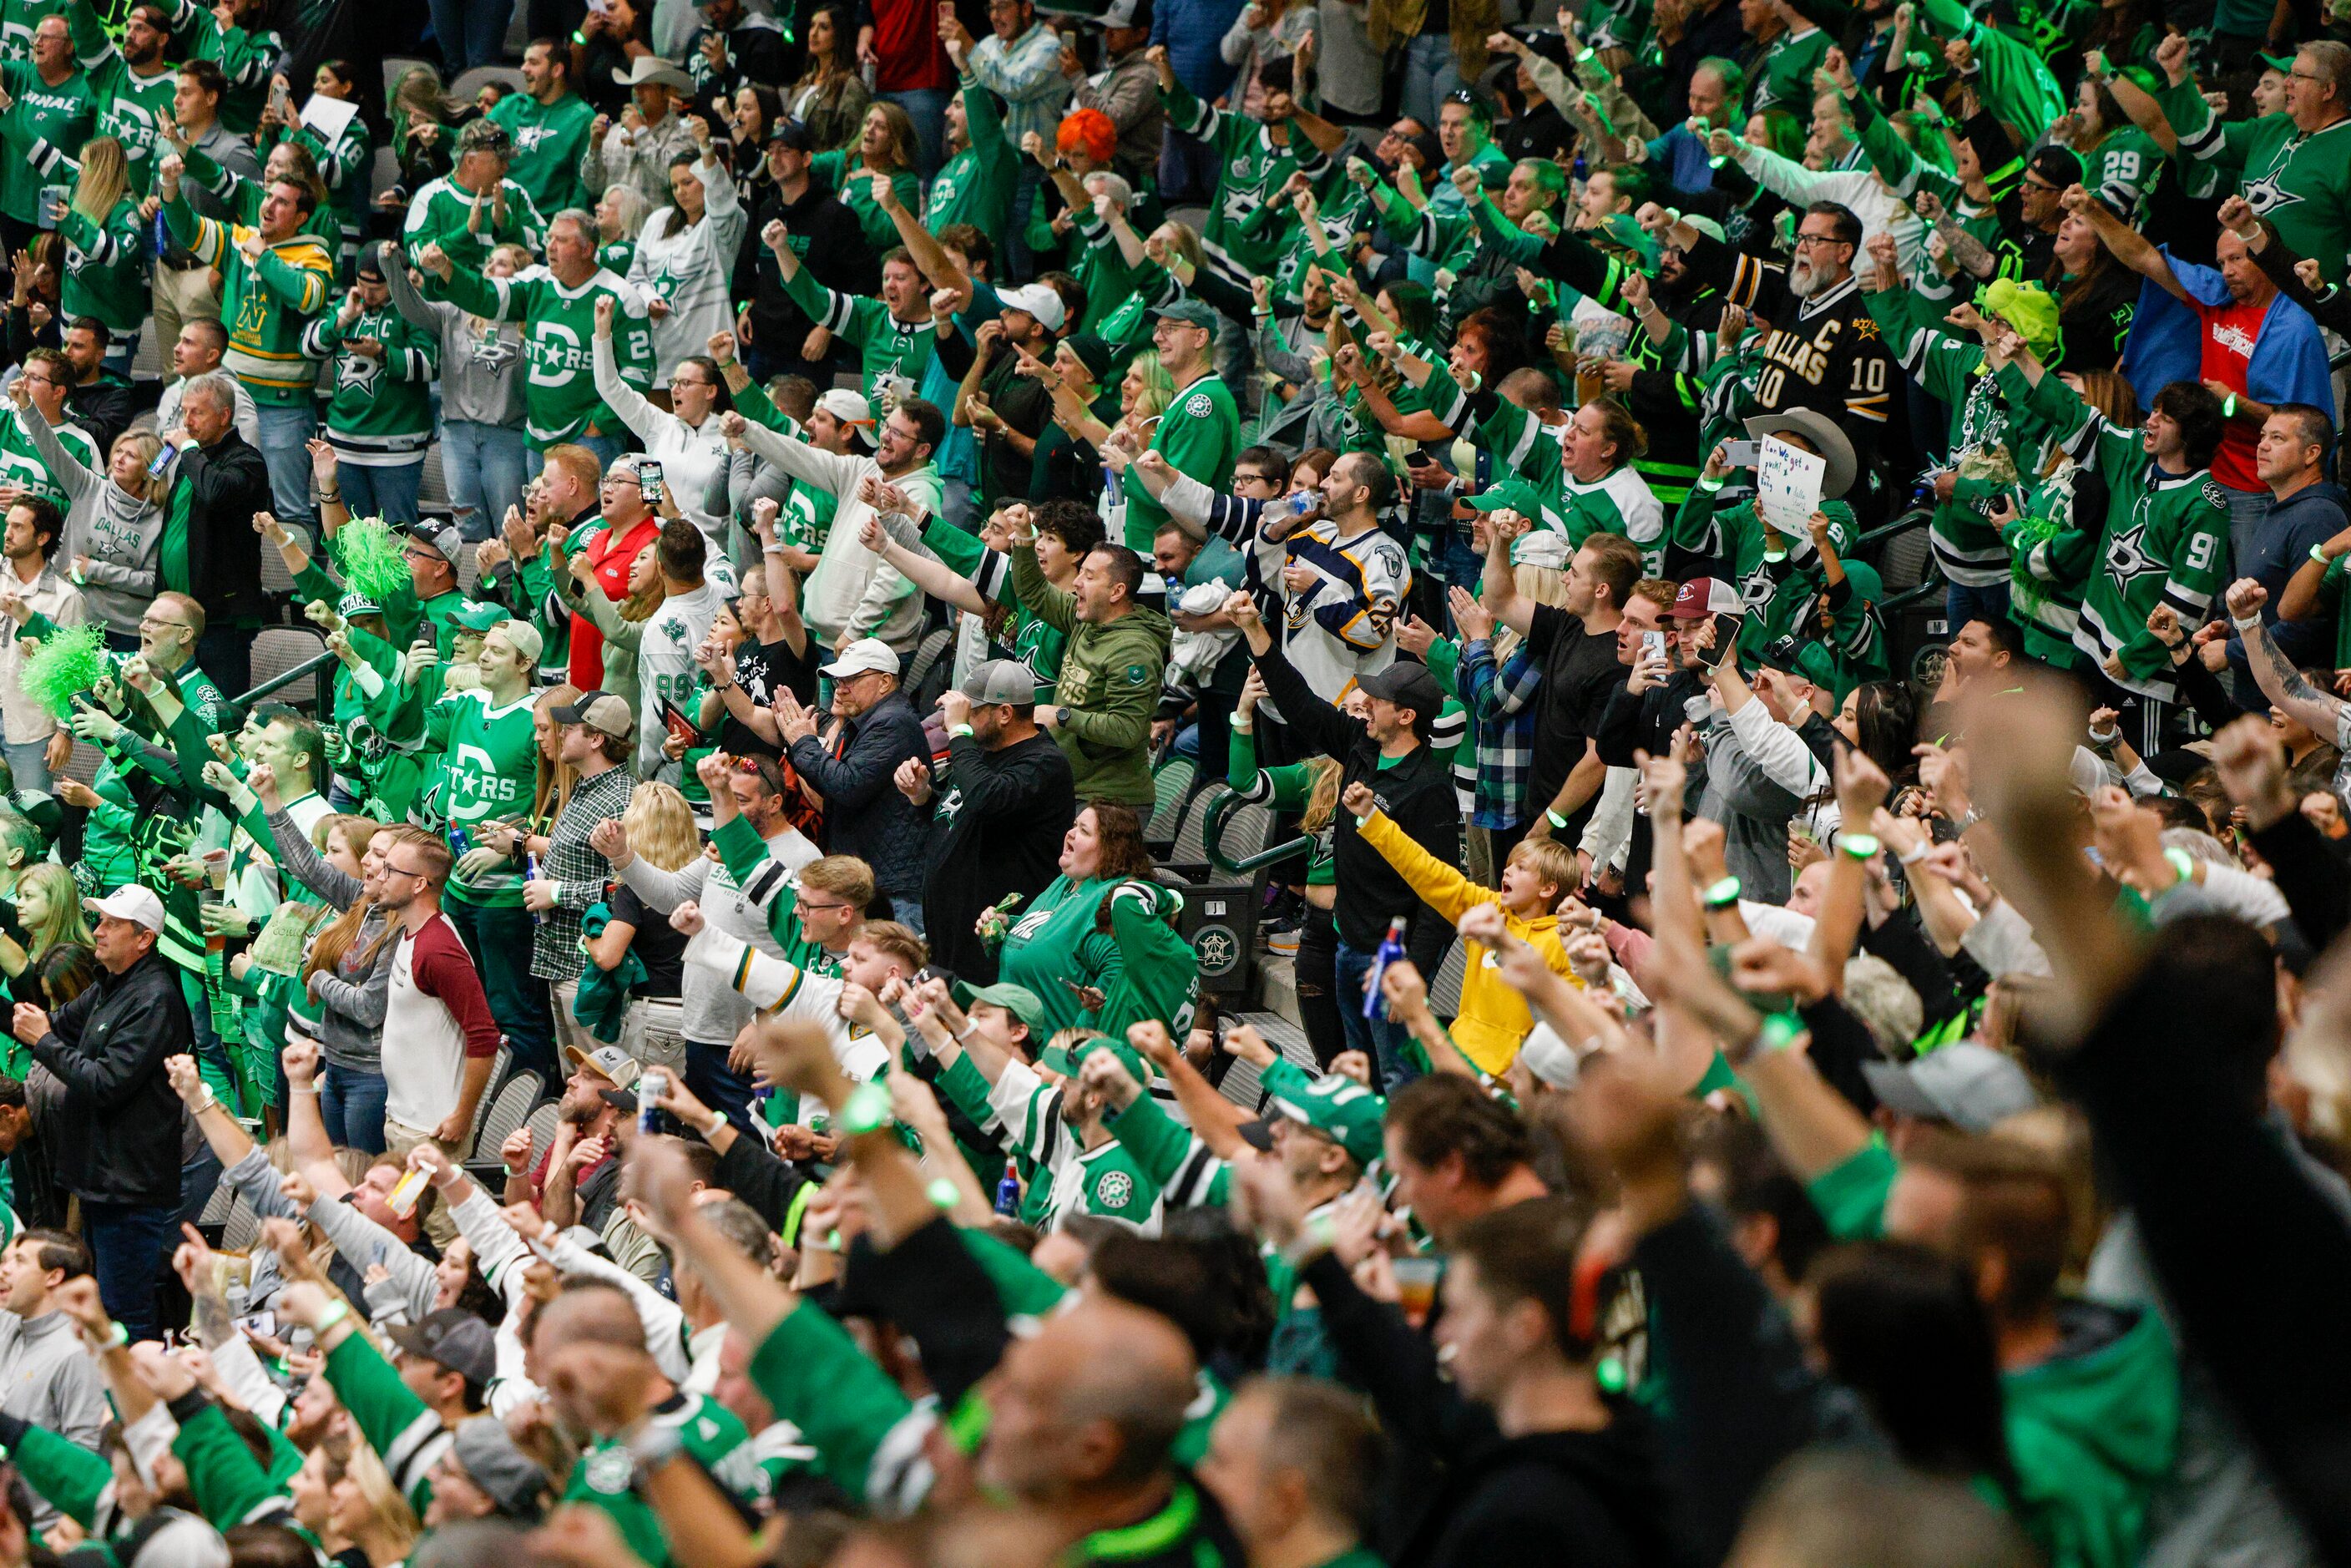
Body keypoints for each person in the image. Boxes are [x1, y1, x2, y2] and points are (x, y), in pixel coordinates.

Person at [1226, 588, 1459, 1089]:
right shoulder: (1360, 747)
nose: (1366, 706)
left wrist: (1415, 971)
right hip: (1346, 942)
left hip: (1390, 958)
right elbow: (1299, 702)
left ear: (1407, 716)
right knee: (1360, 1070)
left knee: (1399, 1077)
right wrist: (1254, 629)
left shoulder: (1429, 789)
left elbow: (1440, 892)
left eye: (1377, 701)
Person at [7, 885, 185, 1338]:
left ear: (143, 939)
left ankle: (144, 1404)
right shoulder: (110, 984)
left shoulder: (154, 998)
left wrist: (41, 1042)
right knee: (101, 1307)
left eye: (110, 924)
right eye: (99, 920)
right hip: (100, 1177)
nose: (98, 932)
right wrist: (34, 1029)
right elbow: (51, 1023)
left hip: (129, 1184)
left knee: (126, 1312)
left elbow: (105, 1083)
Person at [157, 144, 333, 543]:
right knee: (233, 500)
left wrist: (265, 256)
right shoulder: (239, 239)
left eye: (282, 203)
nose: (268, 206)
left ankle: (296, 594)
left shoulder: (314, 252)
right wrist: (170, 189)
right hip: (233, 399)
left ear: (301, 216)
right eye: (268, 197)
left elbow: (307, 296)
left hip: (284, 407)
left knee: (289, 510)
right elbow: (189, 229)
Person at [412, 212, 655, 469]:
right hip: (539, 439)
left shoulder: (622, 297)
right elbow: (486, 296)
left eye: (561, 240)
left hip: (592, 440)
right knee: (540, 511)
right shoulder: (535, 282)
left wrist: (600, 423)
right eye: (550, 238)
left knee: (597, 511)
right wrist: (446, 268)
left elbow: (639, 373)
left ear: (587, 250)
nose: (550, 247)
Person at [899, 658, 1076, 981]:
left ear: (1005, 713)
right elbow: (963, 820)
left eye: (971, 713)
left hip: (994, 944)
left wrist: (959, 733)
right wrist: (923, 796)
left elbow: (989, 801)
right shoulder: (981, 753)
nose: (953, 724)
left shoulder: (1044, 765)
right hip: (951, 938)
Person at [1007, 519, 1169, 807]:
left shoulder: (1134, 651)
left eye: (1089, 577)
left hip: (1109, 802)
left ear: (1116, 592)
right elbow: (1033, 591)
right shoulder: (1086, 622)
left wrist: (1062, 716)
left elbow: (1126, 729)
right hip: (1072, 786)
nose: (1077, 582)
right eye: (1080, 573)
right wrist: (1023, 539)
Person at [775, 637, 929, 924]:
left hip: (896, 892)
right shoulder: (864, 721)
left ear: (885, 682)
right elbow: (835, 786)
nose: (841, 688)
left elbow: (847, 786)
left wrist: (803, 744)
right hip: (875, 883)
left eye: (851, 680)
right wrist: (799, 748)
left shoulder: (892, 722)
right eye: (838, 681)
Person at [151, 370, 270, 695]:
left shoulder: (247, 461)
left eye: (197, 412)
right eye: (184, 411)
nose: (187, 421)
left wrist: (188, 449)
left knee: (221, 712)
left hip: (221, 617)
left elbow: (216, 493)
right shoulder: (194, 460)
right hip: (176, 614)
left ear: (224, 415)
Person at [303, 250, 439, 524]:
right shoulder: (348, 304)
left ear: (394, 281)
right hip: (344, 443)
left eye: (375, 288)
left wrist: (382, 352)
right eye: (362, 284)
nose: (367, 294)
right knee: (352, 537)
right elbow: (308, 346)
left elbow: (430, 365)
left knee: (398, 537)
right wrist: (341, 320)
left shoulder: (414, 309)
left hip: (396, 449)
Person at [0, 495, 83, 790]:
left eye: (18, 527)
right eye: (8, 524)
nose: (7, 533)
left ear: (42, 537)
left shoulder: (66, 597)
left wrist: (65, 731)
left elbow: (74, 672)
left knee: (32, 823)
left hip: (32, 727)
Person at [491, 39, 597, 216]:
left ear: (556, 70)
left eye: (533, 62)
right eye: (524, 61)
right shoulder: (509, 106)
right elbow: (471, 142)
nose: (524, 68)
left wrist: (568, 226)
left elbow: (583, 183)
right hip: (502, 217)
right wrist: (441, 133)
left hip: (548, 225)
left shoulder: (582, 117)